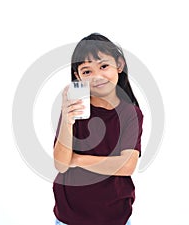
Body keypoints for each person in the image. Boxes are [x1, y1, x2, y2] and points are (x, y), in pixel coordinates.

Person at [52, 33, 144, 225]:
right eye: (87, 71)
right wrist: (68, 121)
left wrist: (76, 159)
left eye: (103, 66)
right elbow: (61, 164)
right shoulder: (75, 107)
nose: (97, 76)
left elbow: (127, 166)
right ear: (78, 76)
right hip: (69, 216)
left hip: (114, 217)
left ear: (119, 65)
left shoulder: (130, 113)